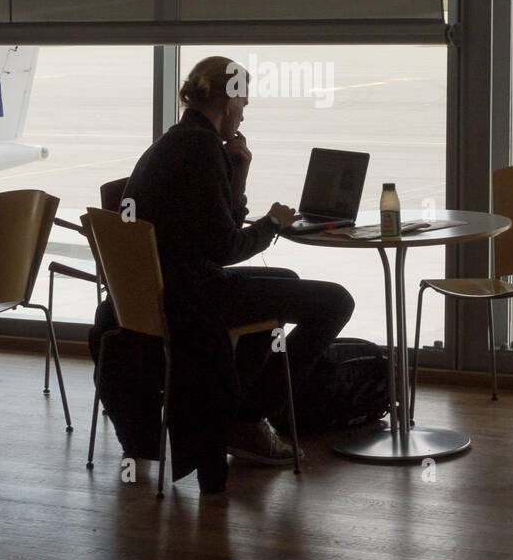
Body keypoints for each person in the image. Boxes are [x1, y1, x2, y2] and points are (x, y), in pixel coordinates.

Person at [121, 55, 354, 494]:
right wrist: (273, 225)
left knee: (284, 280)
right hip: (193, 295)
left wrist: (239, 172)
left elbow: (215, 226)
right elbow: (226, 247)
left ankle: (245, 411)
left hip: (165, 290)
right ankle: (246, 417)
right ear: (228, 102)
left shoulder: (176, 140)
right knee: (337, 301)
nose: (244, 112)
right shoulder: (200, 148)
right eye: (243, 103)